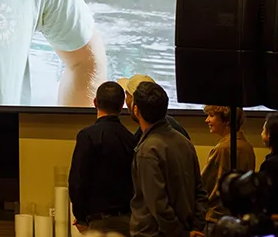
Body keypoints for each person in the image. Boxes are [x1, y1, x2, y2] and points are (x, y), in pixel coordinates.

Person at [130, 82, 207, 237]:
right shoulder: (184, 142)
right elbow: (200, 192)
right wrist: (195, 228)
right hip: (188, 228)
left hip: (154, 233)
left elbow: (158, 204)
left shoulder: (148, 150)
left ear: (136, 109)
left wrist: (180, 233)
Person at [69, 81, 136, 235]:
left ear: (95, 103)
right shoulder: (131, 139)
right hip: (128, 221)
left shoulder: (87, 136)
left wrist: (80, 217)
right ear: (121, 106)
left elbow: (77, 181)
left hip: (98, 222)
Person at [200, 105, 256, 227]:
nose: (207, 120)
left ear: (226, 120)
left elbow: (203, 184)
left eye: (211, 116)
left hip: (217, 218)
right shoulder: (247, 147)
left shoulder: (222, 149)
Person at [118, 74, 190, 141]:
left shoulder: (150, 142)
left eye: (127, 95)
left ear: (135, 104)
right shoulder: (170, 126)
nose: (126, 100)